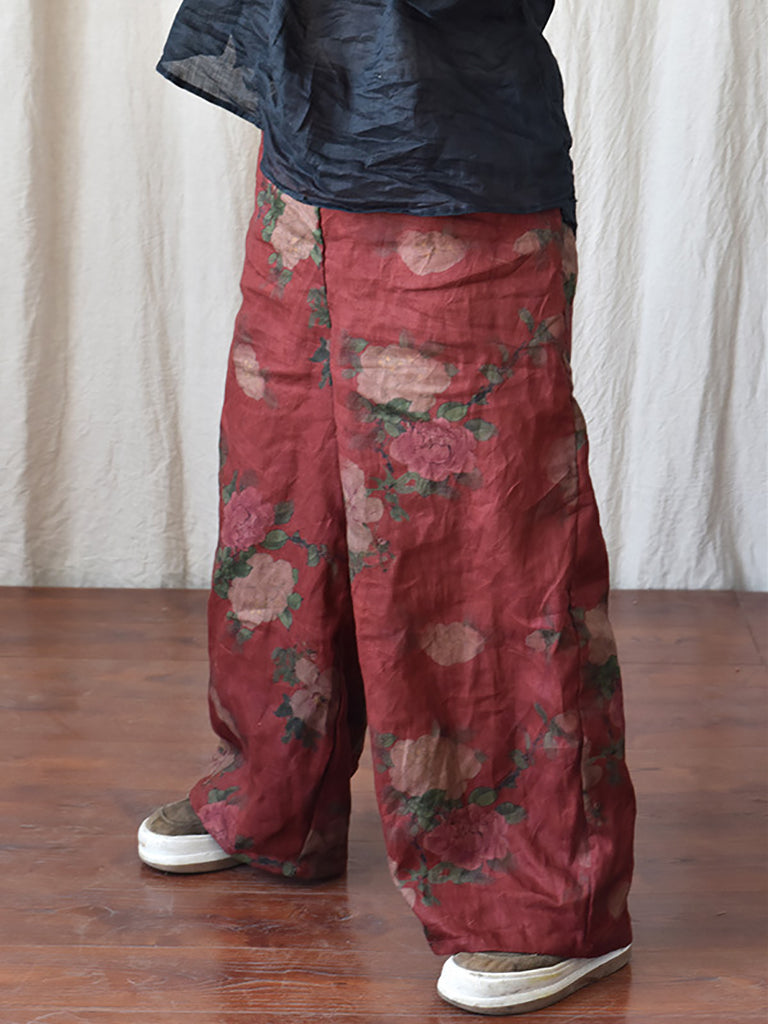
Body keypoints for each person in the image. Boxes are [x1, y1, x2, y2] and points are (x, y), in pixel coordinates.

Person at [138, 0, 636, 1014]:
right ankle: (277, 798)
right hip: (307, 160)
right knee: (284, 502)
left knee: (474, 550)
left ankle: (547, 902)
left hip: (453, 173)